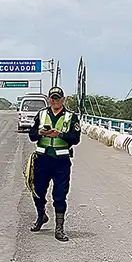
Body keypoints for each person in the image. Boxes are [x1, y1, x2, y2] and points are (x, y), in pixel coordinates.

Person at [27, 86, 81, 241]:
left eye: (58, 98)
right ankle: (40, 215)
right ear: (49, 99)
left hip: (61, 161)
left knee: (59, 194)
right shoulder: (42, 114)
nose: (55, 101)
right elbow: (31, 136)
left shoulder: (71, 117)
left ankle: (59, 228)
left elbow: (75, 139)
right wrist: (39, 133)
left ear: (63, 100)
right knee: (37, 191)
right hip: (42, 159)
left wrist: (61, 134)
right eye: (53, 98)